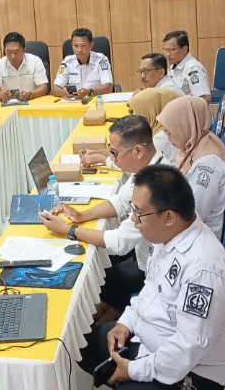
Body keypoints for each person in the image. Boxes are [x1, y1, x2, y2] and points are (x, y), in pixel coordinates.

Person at [79, 165, 225, 390]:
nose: (133, 220)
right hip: (154, 346)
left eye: (139, 214)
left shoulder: (204, 269)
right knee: (82, 343)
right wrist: (126, 322)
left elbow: (185, 351)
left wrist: (134, 371)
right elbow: (150, 292)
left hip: (189, 375)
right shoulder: (168, 237)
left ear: (168, 216)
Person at [42, 116, 169, 316]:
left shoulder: (156, 186)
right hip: (143, 254)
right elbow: (120, 201)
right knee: (100, 272)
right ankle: (111, 310)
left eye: (115, 153)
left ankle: (112, 315)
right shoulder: (149, 168)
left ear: (137, 151)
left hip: (153, 272)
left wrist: (68, 230)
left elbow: (119, 242)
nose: (113, 159)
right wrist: (82, 215)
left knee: (96, 282)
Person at [156, 96, 225, 233]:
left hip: (196, 235)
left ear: (185, 126)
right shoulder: (192, 146)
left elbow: (190, 215)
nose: (168, 139)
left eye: (170, 133)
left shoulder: (208, 165)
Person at [80, 88, 180, 167]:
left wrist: (100, 159)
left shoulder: (162, 138)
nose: (132, 115)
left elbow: (134, 165)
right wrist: (96, 152)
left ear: (150, 111)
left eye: (134, 111)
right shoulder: (155, 129)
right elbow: (125, 152)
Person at [52, 28, 113, 99]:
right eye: (76, 46)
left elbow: (109, 87)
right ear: (72, 45)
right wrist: (63, 92)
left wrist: (89, 92)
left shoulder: (101, 60)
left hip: (96, 100)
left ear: (91, 45)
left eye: (83, 46)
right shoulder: (67, 62)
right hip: (74, 102)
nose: (79, 50)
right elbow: (55, 89)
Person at [0, 32, 48, 101]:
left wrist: (29, 95)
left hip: (31, 101)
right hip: (9, 104)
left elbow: (43, 88)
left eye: (16, 52)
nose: (13, 56)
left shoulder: (35, 61)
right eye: (9, 52)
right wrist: (1, 95)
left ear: (24, 50)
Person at [161, 31, 211, 101]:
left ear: (184, 49)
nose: (168, 54)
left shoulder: (193, 68)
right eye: (166, 50)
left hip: (189, 108)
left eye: (171, 50)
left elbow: (204, 99)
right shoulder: (172, 68)